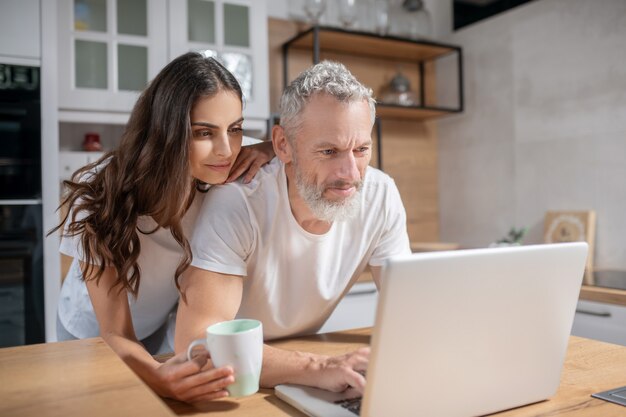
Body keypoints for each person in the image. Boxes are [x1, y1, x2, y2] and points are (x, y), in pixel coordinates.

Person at [51, 52, 275, 403]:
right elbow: (115, 331)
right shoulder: (100, 194)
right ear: (166, 131)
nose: (227, 150)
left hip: (155, 331)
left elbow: (301, 142)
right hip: (92, 336)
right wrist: (158, 377)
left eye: (235, 129)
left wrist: (269, 147)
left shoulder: (214, 172)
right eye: (204, 132)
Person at [179, 61, 411, 394]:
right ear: (283, 145)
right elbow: (196, 340)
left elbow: (412, 309)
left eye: (361, 150)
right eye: (329, 151)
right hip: (234, 384)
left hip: (297, 365)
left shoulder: (381, 194)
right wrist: (316, 366)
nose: (351, 174)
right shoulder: (238, 203)